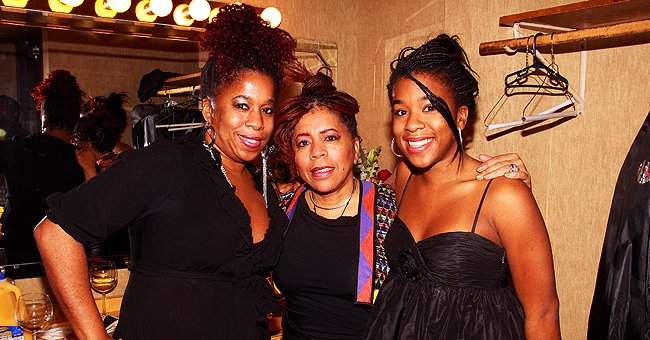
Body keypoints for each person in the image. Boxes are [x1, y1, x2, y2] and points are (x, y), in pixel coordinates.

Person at [33, 4, 297, 339]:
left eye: (267, 109)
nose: (257, 122)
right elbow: (55, 234)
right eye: (241, 105)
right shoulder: (168, 164)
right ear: (209, 109)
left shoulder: (262, 183)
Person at [271, 66, 532, 339]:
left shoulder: (390, 205)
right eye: (303, 143)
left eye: (331, 138)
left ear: (356, 147)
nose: (317, 152)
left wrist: (511, 187)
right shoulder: (281, 209)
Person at [363, 34, 560, 339]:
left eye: (429, 108)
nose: (412, 124)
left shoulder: (504, 195)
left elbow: (542, 313)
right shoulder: (404, 176)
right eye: (401, 111)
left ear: (461, 116)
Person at [0, 70, 85, 264]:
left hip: (18, 252)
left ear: (43, 115)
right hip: (64, 255)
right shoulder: (82, 160)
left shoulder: (16, 148)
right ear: (75, 121)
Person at [74, 92, 130, 179]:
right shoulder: (125, 157)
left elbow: (94, 191)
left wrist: (89, 168)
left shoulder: (97, 168)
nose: (77, 145)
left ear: (87, 145)